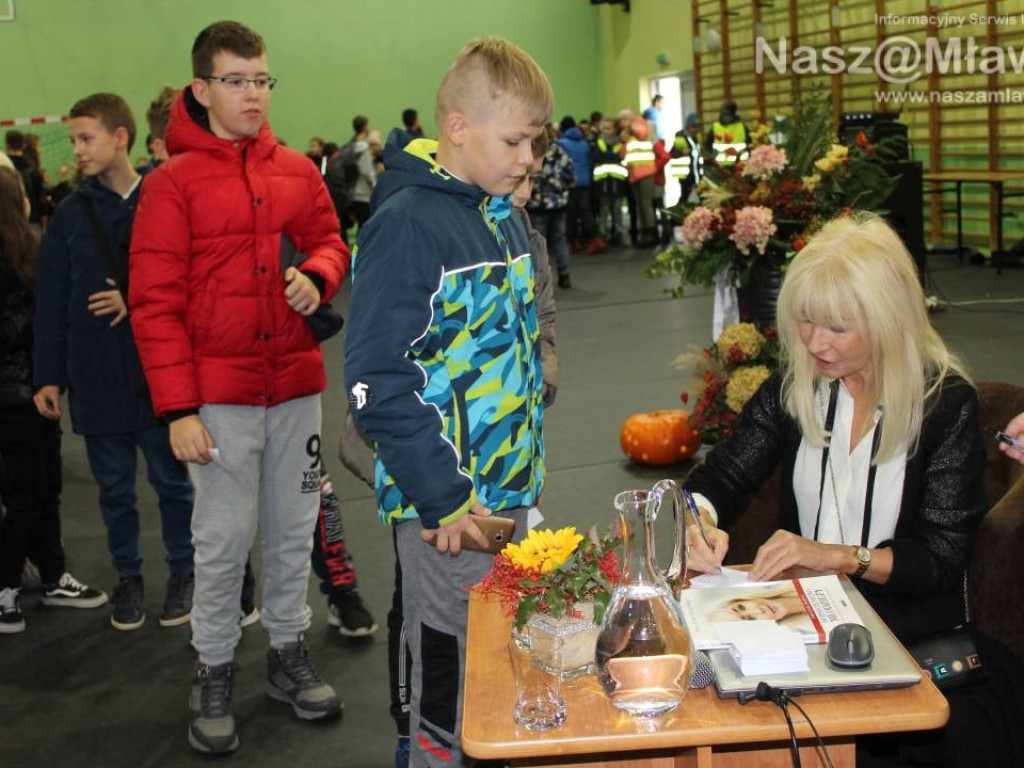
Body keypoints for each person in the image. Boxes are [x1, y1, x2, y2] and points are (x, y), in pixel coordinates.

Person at [684, 212, 1024, 767]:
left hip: (906, 633)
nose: (816, 343)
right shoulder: (797, 388)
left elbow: (939, 561)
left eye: (838, 328)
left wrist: (835, 557)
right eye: (806, 322)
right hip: (800, 630)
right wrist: (699, 519)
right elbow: (722, 476)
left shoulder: (943, 406)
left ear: (889, 320)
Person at [128, 21, 348, 754]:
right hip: (215, 400)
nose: (253, 93)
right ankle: (214, 667)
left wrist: (318, 276)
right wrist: (178, 409)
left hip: (293, 389)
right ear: (201, 90)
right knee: (220, 542)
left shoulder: (298, 169)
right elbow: (154, 305)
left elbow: (331, 241)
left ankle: (287, 655)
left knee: (292, 532)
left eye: (261, 80)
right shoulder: (170, 185)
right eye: (236, 81)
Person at [344, 36, 551, 767]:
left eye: (535, 141)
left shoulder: (497, 212)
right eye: (515, 140)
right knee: (447, 669)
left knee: (505, 658)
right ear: (458, 128)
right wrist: (444, 498)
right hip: (449, 514)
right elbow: (374, 378)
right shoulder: (407, 223)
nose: (529, 158)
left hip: (508, 494)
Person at [32, 93, 195, 633]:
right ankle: (129, 578)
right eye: (75, 140)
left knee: (174, 486)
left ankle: (183, 573)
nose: (76, 150)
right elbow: (50, 299)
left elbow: (192, 278)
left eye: (86, 138)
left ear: (120, 136)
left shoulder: (165, 196)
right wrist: (48, 375)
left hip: (158, 377)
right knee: (115, 491)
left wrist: (137, 299)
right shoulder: (71, 215)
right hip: (96, 376)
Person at [0, 166, 108, 634]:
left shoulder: (27, 249)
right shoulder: (12, 261)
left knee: (47, 487)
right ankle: (4, 589)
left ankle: (52, 574)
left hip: (36, 391)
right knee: (23, 495)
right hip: (9, 396)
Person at [528, 123, 575, 288]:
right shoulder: (561, 152)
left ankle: (541, 280)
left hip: (538, 204)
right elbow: (571, 175)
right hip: (559, 203)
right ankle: (564, 275)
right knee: (560, 239)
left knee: (539, 243)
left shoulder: (533, 153)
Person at [556, 115, 604, 255]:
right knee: (586, 212)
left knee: (570, 213)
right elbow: (589, 162)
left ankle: (571, 242)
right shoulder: (583, 143)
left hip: (570, 183)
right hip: (585, 182)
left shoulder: (562, 144)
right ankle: (595, 240)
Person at [707, 585, 814, 634]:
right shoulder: (807, 630)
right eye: (751, 619)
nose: (759, 610)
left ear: (742, 599)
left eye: (741, 607)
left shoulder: (785, 581)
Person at [704, 100, 749, 166]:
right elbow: (750, 146)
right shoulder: (742, 127)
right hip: (738, 166)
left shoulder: (715, 127)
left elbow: (707, 147)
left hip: (724, 167)